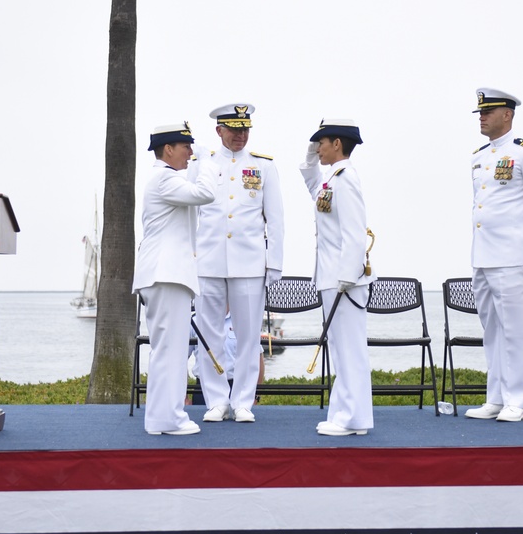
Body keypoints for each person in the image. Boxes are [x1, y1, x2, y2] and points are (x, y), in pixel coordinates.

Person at [465, 88, 523, 422]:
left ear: (508, 114)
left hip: (512, 258)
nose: (482, 117)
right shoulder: (478, 156)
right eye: (479, 113)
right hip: (483, 256)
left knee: (514, 331)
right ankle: (495, 397)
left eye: (488, 112)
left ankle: (516, 401)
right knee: (491, 331)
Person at [192, 103, 284, 424]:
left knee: (248, 337)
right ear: (219, 131)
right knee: (210, 334)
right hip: (208, 262)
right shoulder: (201, 165)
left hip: (249, 263)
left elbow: (275, 220)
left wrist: (274, 264)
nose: (240, 136)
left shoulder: (263, 167)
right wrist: (189, 261)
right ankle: (216, 400)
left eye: (245, 129)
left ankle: (243, 401)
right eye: (233, 129)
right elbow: (191, 218)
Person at [133, 122, 217, 436]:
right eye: (186, 147)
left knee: (166, 349)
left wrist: (198, 166)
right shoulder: (164, 178)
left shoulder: (166, 179)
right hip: (166, 275)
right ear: (169, 149)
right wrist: (208, 163)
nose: (191, 153)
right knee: (170, 349)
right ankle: (168, 418)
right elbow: (206, 193)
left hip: (166, 274)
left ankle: (161, 418)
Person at [300, 119, 374, 436]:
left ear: (337, 145)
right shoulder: (331, 177)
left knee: (349, 350)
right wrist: (310, 152)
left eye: (322, 142)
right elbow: (309, 178)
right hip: (332, 276)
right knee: (341, 350)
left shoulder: (345, 179)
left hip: (345, 280)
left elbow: (355, 233)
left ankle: (354, 418)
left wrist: (347, 276)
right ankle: (344, 413)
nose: (318, 148)